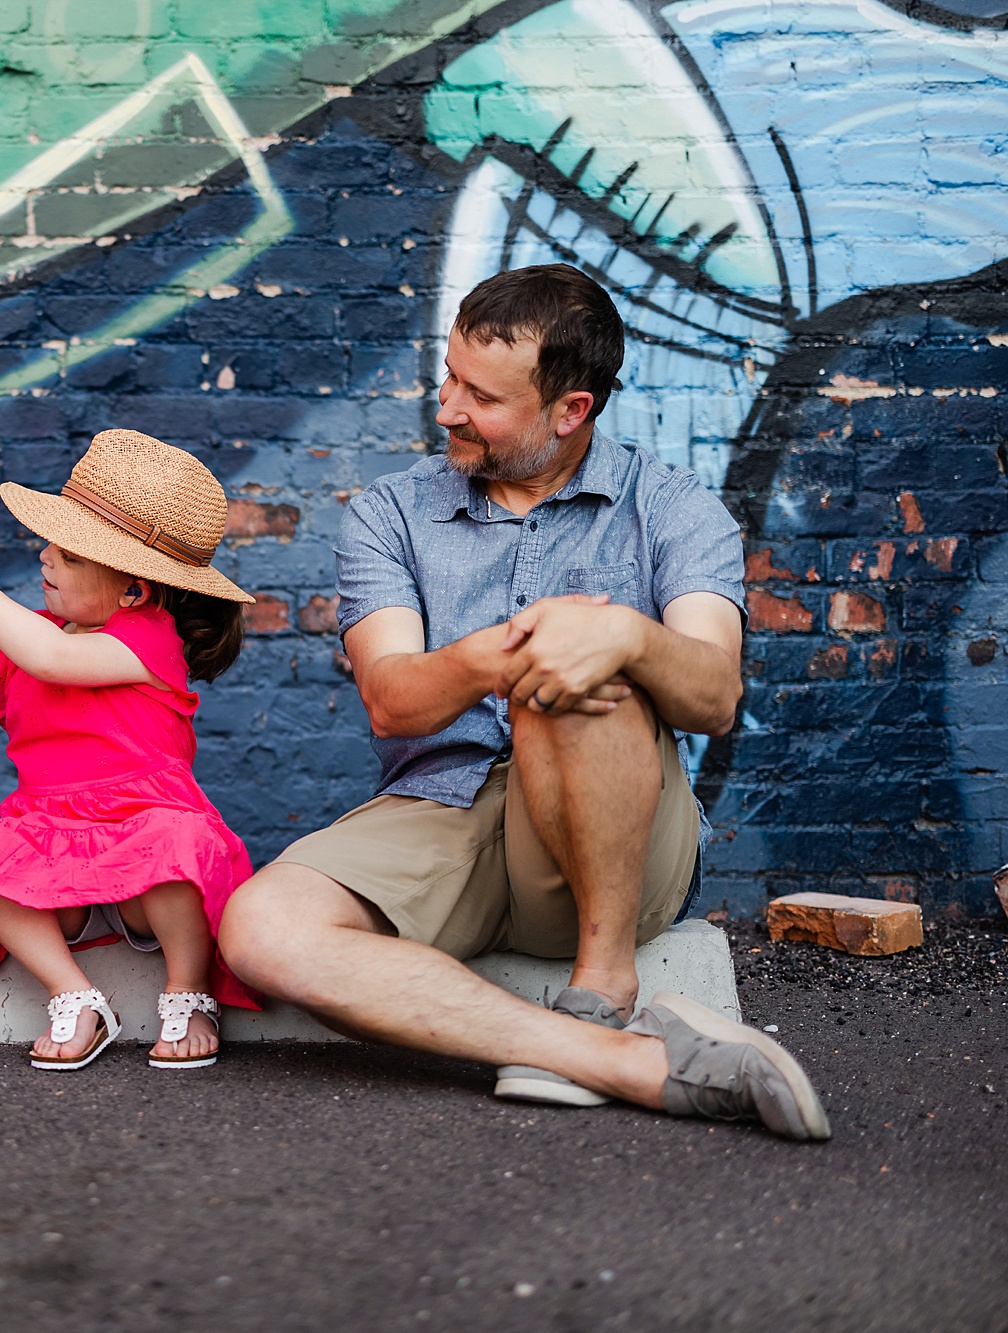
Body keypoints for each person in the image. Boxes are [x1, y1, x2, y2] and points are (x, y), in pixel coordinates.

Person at [218, 265, 831, 1140]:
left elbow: (715, 694)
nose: (447, 409)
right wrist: (494, 656)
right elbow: (391, 702)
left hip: (611, 847)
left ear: (570, 410)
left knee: (575, 668)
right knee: (260, 927)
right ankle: (619, 1058)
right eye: (449, 377)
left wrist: (624, 637)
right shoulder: (391, 514)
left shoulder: (673, 508)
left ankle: (604, 981)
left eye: (481, 396)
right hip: (440, 810)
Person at [0, 429, 261, 1072]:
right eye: (52, 543)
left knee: (179, 843)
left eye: (69, 554)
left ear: (134, 591)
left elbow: (56, 660)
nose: (46, 557)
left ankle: (187, 987)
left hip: (141, 829)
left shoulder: (148, 641)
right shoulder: (33, 633)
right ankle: (73, 992)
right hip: (51, 834)